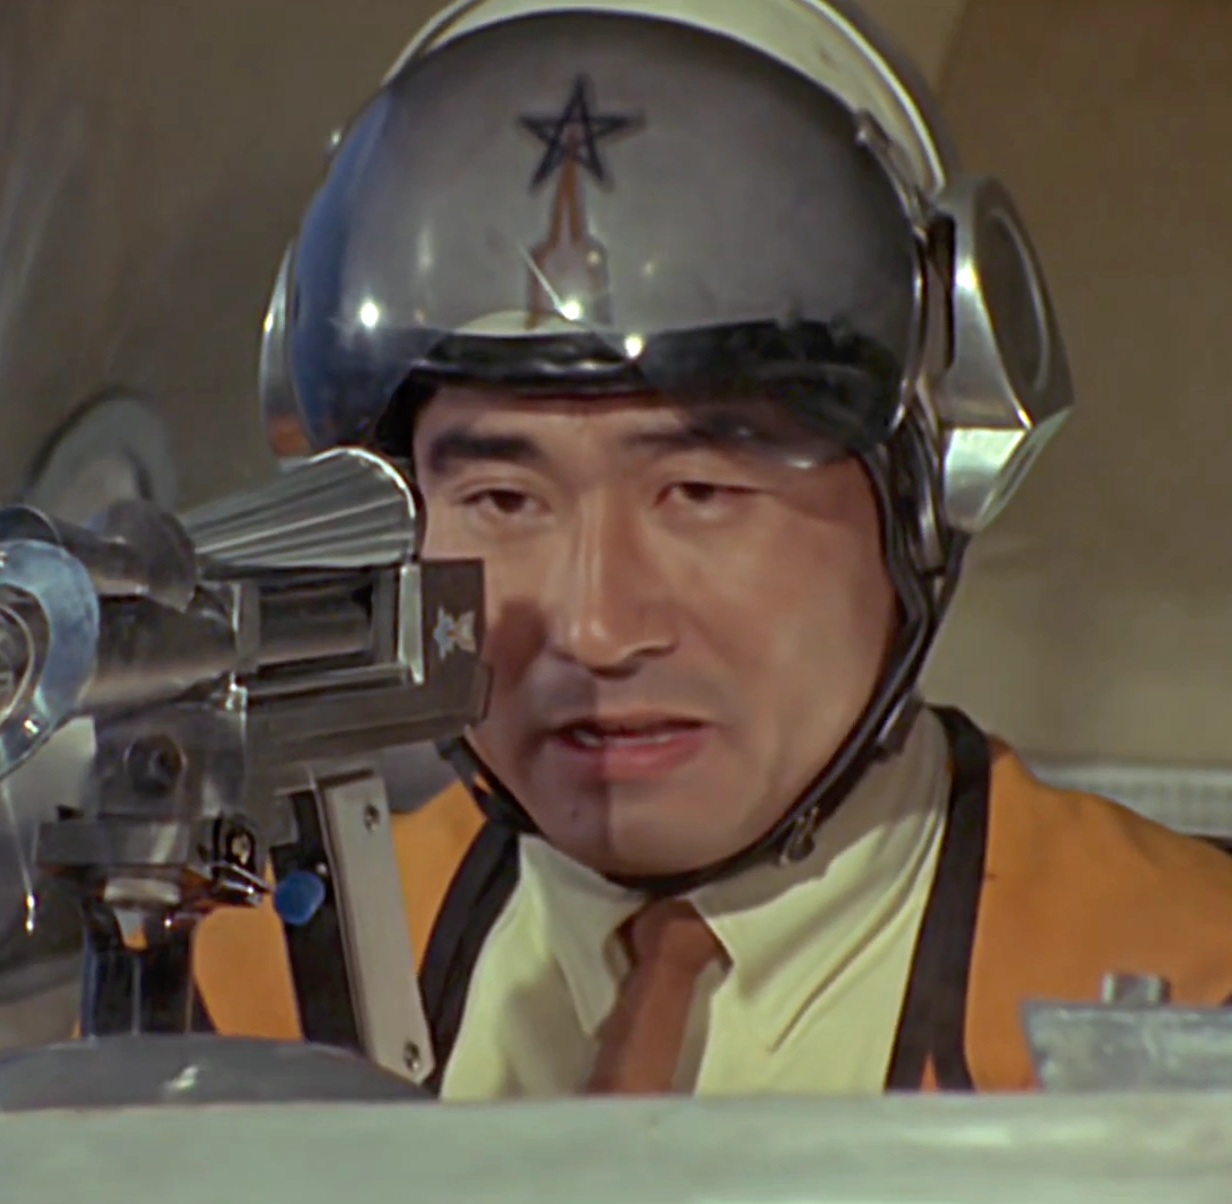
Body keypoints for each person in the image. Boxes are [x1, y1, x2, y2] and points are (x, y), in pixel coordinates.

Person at [193, 0, 1232, 1096]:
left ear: (921, 499)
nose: (597, 629)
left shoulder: (1191, 992)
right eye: (502, 499)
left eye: (700, 492)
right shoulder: (253, 1004)